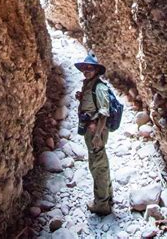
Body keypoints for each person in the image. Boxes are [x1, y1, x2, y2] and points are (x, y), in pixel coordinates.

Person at [74, 53, 113, 216]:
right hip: (91, 130)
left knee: (98, 166)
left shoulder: (100, 87)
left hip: (96, 131)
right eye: (84, 68)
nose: (86, 70)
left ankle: (101, 204)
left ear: (96, 70)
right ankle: (107, 198)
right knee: (100, 163)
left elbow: (104, 112)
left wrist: (97, 135)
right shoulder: (89, 85)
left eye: (89, 68)